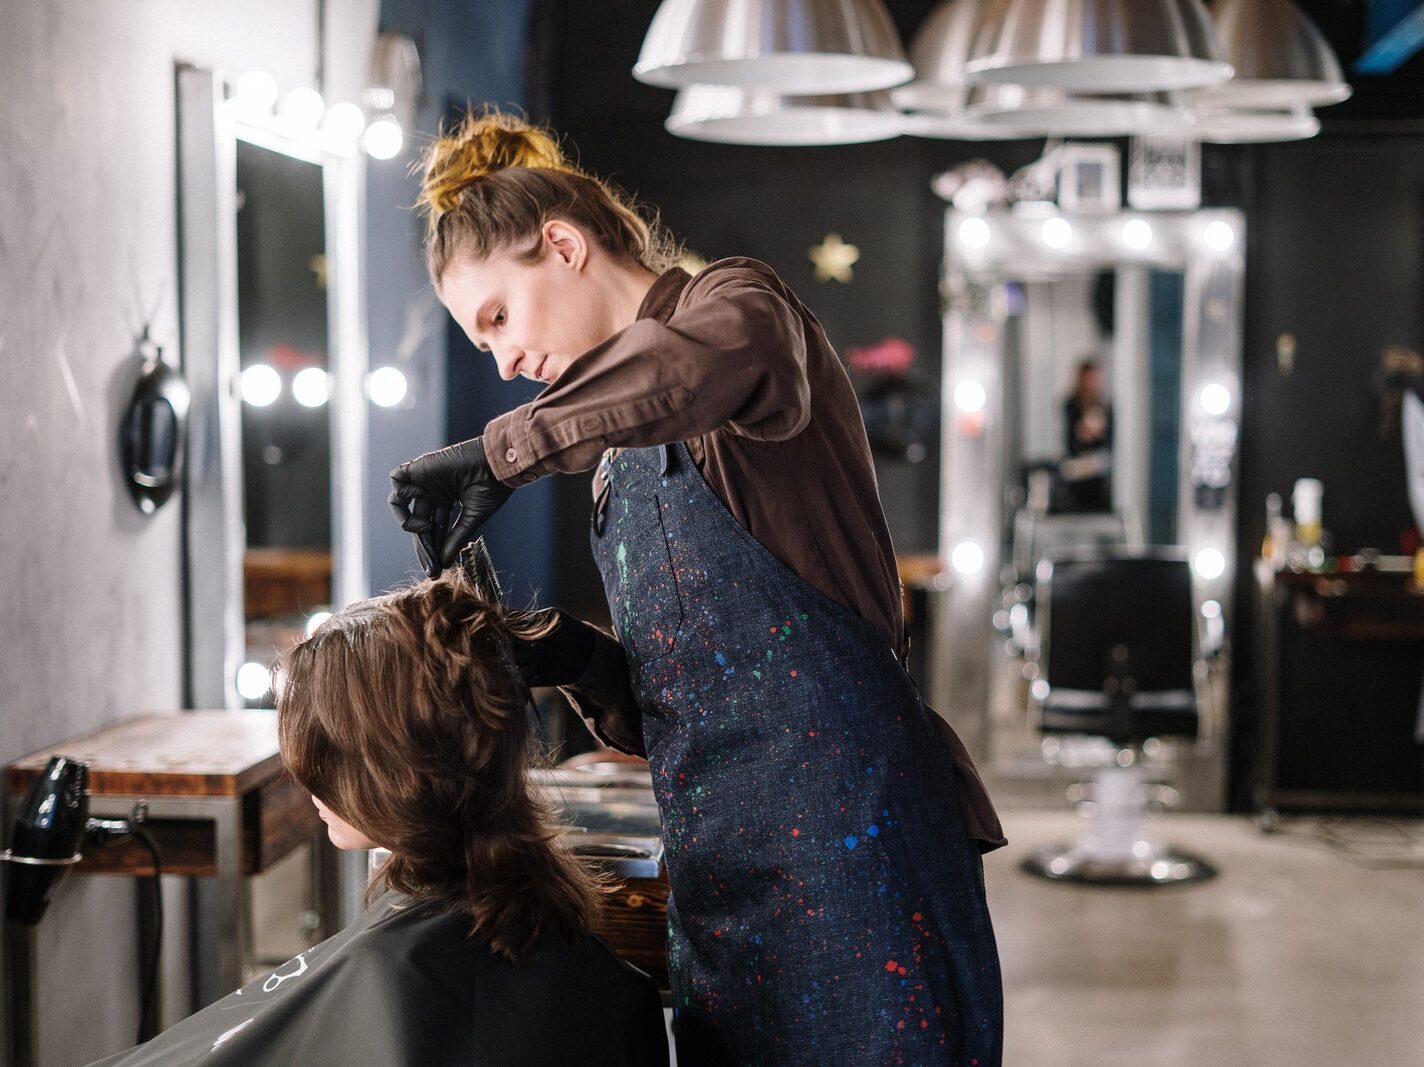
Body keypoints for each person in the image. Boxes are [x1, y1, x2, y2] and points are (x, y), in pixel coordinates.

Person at [388, 111, 1005, 1066]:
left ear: (564, 245)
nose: (504, 364)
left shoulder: (740, 311)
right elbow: (692, 711)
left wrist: (506, 451)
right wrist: (568, 655)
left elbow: (703, 367)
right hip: (721, 883)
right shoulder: (614, 463)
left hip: (858, 859)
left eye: (498, 318)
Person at [90, 566, 667, 1067]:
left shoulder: (392, 970)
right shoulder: (567, 938)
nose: (304, 780)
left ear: (391, 771)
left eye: (325, 757)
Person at [1059, 357, 1113, 512]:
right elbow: (1073, 438)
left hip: (1097, 473)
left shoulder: (1102, 404)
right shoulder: (1071, 405)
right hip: (1076, 472)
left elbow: (1105, 439)